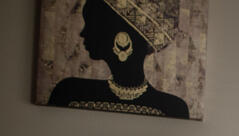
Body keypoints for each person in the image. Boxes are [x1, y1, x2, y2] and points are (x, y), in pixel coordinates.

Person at [48, 0, 189, 119]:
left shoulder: (173, 108)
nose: (83, 33)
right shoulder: (69, 91)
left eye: (91, 24)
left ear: (122, 39)